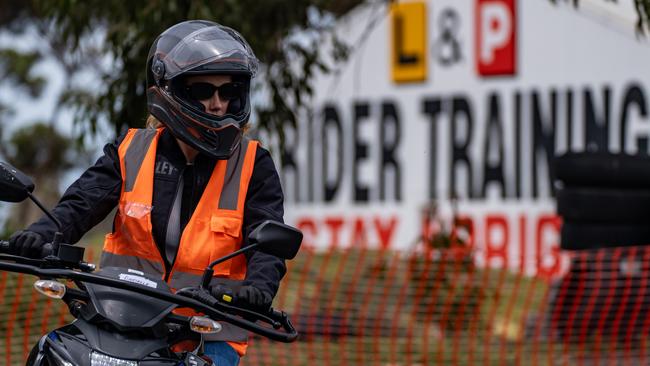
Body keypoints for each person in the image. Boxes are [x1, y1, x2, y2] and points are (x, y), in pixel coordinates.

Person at [8, 20, 285, 365]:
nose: (218, 104)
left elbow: (268, 244)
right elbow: (80, 205)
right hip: (116, 325)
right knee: (52, 353)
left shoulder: (253, 164)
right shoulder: (130, 151)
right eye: (203, 90)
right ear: (171, 92)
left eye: (229, 92)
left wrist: (256, 287)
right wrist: (40, 235)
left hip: (203, 334)